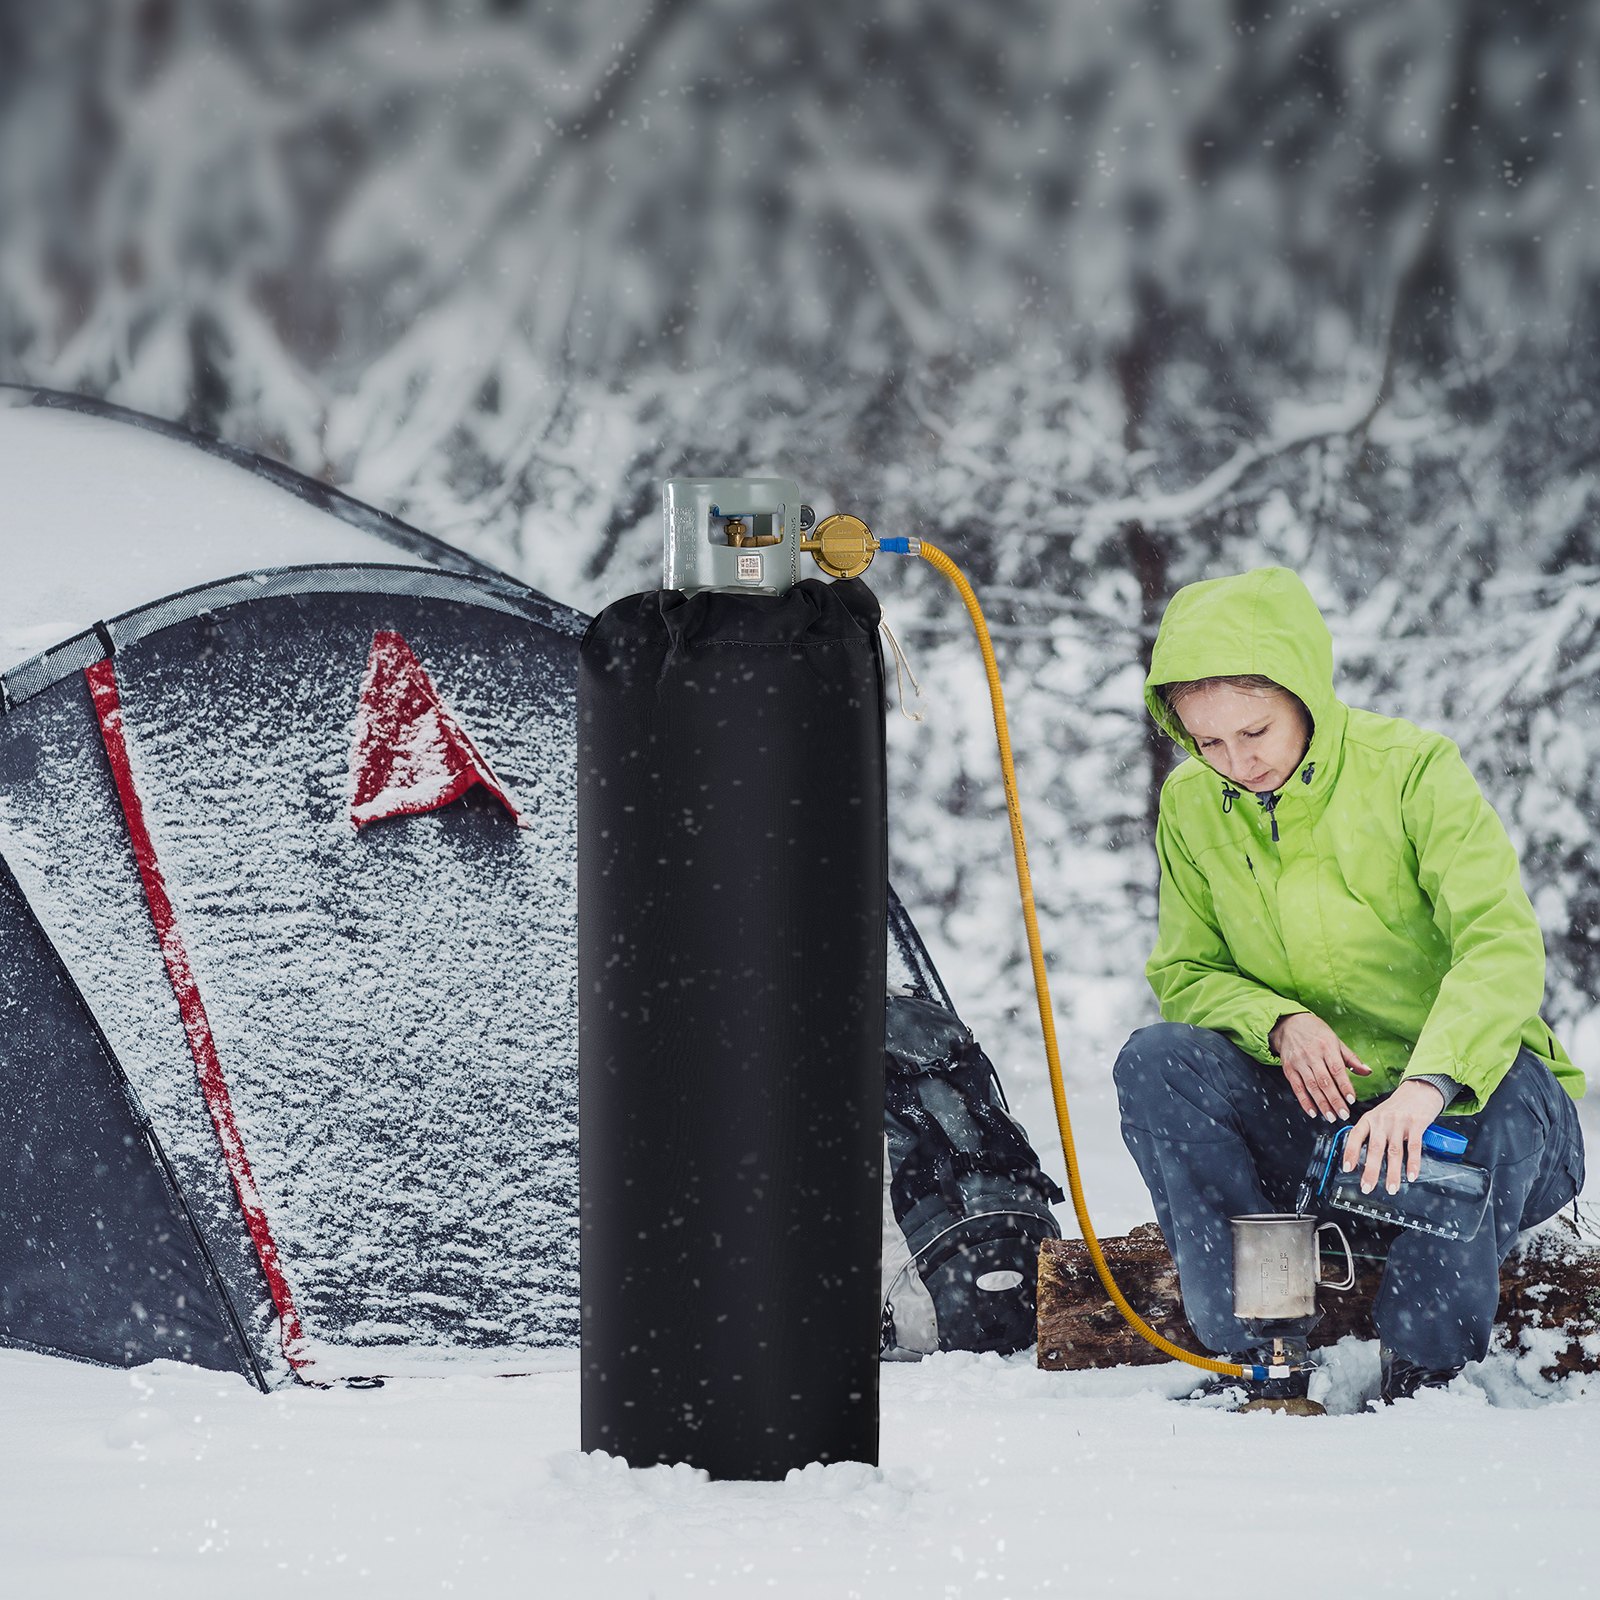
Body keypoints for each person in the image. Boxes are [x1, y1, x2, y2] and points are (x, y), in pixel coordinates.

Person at [1113, 566, 1586, 1406]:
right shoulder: (1192, 803)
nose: (1236, 761)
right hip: (1322, 1137)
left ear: (1303, 691)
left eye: (1254, 731)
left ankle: (1425, 1378)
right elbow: (1184, 973)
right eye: (1208, 743)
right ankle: (1265, 1344)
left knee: (1504, 1083)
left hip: (1474, 1122)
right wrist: (1279, 1022)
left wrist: (1428, 1085)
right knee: (1157, 1060)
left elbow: (1500, 944)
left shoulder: (1411, 770)